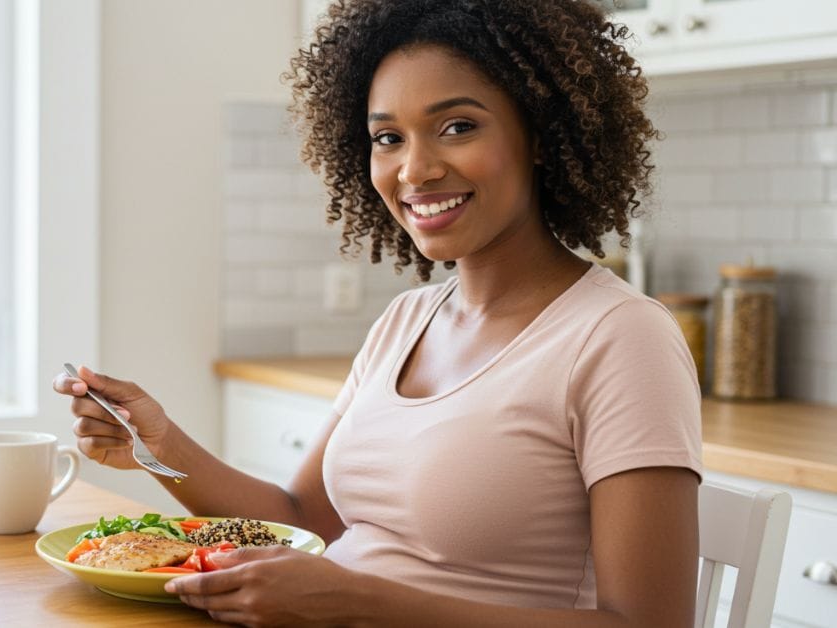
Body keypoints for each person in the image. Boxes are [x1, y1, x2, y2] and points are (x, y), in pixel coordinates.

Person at [53, 1, 703, 625]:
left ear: (540, 132)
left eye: (458, 126)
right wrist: (159, 447)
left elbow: (649, 623)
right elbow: (302, 519)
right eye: (388, 137)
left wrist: (358, 603)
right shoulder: (407, 320)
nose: (414, 169)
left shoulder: (620, 337)